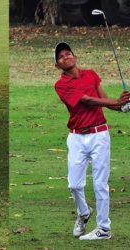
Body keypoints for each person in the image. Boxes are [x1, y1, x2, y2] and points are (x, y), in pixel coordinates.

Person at [54, 42, 130, 240]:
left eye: (68, 53)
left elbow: (104, 101)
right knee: (74, 185)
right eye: (61, 57)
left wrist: (122, 106)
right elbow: (87, 100)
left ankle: (103, 229)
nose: (65, 57)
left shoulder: (91, 75)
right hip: (77, 137)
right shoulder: (61, 85)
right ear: (58, 66)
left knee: (100, 184)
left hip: (99, 135)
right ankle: (84, 212)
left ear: (75, 57)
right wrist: (116, 102)